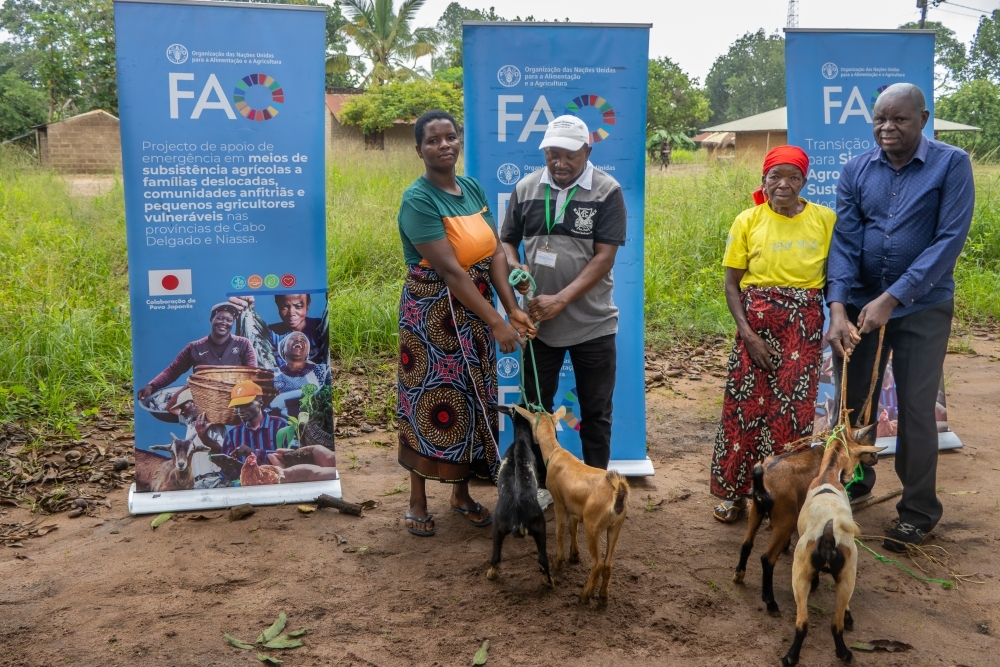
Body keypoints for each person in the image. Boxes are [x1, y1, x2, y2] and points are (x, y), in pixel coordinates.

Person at [825, 83, 974, 552]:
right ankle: (855, 481)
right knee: (852, 403)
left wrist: (892, 298)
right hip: (860, 306)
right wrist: (837, 307)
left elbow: (948, 240)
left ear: (923, 119)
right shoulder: (856, 169)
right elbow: (845, 242)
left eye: (899, 119)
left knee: (914, 409)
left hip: (923, 307)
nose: (887, 128)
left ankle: (917, 512)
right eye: (879, 119)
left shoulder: (951, 164)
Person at [396, 109, 536, 537]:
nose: (444, 145)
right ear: (418, 149)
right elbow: (451, 271)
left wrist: (511, 308)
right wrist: (496, 322)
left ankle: (460, 495)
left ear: (459, 141)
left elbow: (493, 253)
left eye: (450, 137)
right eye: (433, 140)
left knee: (474, 399)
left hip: (475, 308)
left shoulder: (471, 186)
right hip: (433, 316)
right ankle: (417, 502)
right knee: (429, 401)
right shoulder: (417, 199)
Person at [710, 145, 837, 523]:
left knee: (793, 415)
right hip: (755, 328)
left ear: (804, 181)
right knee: (744, 410)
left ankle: (782, 498)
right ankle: (735, 494)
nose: (783, 184)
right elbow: (731, 285)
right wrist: (748, 336)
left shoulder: (825, 219)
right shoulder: (747, 220)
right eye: (775, 177)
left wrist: (839, 317)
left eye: (793, 177)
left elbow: (837, 276)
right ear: (763, 181)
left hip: (803, 330)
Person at [502, 115, 627, 473]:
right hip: (538, 325)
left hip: (594, 324)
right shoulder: (526, 188)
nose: (559, 163)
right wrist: (515, 267)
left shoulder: (607, 191)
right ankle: (540, 485)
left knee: (596, 412)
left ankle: (597, 483)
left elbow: (604, 257)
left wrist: (561, 300)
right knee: (533, 410)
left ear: (587, 151)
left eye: (570, 155)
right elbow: (507, 241)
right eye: (552, 154)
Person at [137, 303, 257, 400]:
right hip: (204, 400)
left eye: (229, 320)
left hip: (236, 398)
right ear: (211, 319)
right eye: (220, 318)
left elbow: (252, 374)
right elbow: (173, 371)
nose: (224, 322)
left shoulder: (243, 343)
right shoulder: (194, 347)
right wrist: (152, 385)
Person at [228, 293, 329, 366]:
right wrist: (243, 310)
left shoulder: (320, 327)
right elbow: (244, 350)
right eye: (284, 307)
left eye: (298, 306)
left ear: (308, 304)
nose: (291, 313)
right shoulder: (269, 334)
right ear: (277, 305)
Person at [166, 388, 225, 488]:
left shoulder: (214, 424)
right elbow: (170, 407)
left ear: (195, 404)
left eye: (183, 407)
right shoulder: (189, 423)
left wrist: (203, 436)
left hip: (215, 480)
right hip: (196, 482)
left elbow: (221, 450)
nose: (182, 412)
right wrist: (187, 386)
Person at [222, 380, 287, 465]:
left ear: (261, 402)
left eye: (246, 404)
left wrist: (255, 453)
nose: (240, 410)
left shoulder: (279, 425)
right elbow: (227, 468)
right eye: (237, 406)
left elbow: (291, 456)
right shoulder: (232, 435)